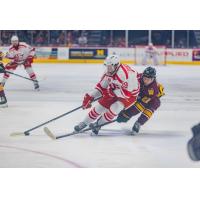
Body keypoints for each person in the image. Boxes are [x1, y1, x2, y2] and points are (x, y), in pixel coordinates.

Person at [73, 54, 140, 135]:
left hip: (130, 94)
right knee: (99, 107)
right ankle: (84, 123)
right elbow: (101, 86)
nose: (108, 69)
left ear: (116, 65)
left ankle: (98, 124)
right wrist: (91, 97)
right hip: (114, 89)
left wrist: (111, 92)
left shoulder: (124, 74)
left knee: (115, 108)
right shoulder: (109, 71)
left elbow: (126, 94)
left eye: (110, 66)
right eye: (107, 66)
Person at [116, 66, 165, 134]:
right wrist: (126, 114)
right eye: (145, 78)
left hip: (153, 99)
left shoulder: (153, 89)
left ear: (153, 79)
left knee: (146, 110)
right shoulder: (137, 77)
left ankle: (138, 123)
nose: (146, 81)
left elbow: (143, 102)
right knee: (133, 109)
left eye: (148, 79)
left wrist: (127, 114)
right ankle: (125, 116)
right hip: (143, 96)